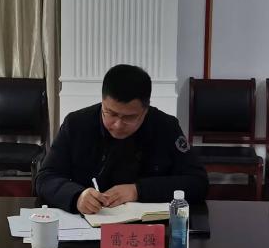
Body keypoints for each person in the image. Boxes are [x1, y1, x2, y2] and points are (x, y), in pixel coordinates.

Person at [35, 64, 208, 214]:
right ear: (103, 101)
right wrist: (77, 196)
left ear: (145, 110)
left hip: (148, 228)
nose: (118, 125)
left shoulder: (166, 127)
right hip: (89, 224)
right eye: (110, 113)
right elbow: (45, 178)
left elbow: (198, 182)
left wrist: (138, 191)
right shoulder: (76, 125)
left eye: (129, 117)